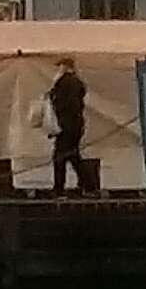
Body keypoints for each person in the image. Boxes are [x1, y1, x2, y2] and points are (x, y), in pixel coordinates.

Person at [47, 58, 91, 194]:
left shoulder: (67, 82)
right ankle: (88, 184)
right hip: (75, 125)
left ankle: (59, 188)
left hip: (68, 126)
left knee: (59, 157)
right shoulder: (76, 82)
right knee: (72, 155)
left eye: (60, 66)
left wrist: (56, 107)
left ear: (65, 67)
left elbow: (69, 104)